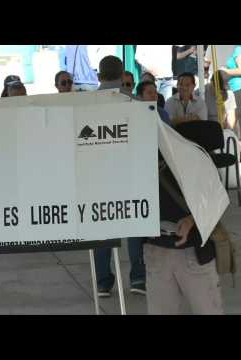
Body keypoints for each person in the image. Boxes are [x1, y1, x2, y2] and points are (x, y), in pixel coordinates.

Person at [93, 55, 146, 296]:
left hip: (97, 177)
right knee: (135, 228)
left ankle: (103, 282)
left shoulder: (84, 104)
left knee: (101, 230)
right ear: (122, 73)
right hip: (131, 175)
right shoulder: (137, 103)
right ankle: (138, 280)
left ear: (98, 75)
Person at [144, 156, 223, 314]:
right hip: (156, 247)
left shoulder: (191, 147)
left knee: (207, 310)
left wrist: (191, 220)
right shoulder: (137, 151)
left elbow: (216, 195)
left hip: (194, 250)